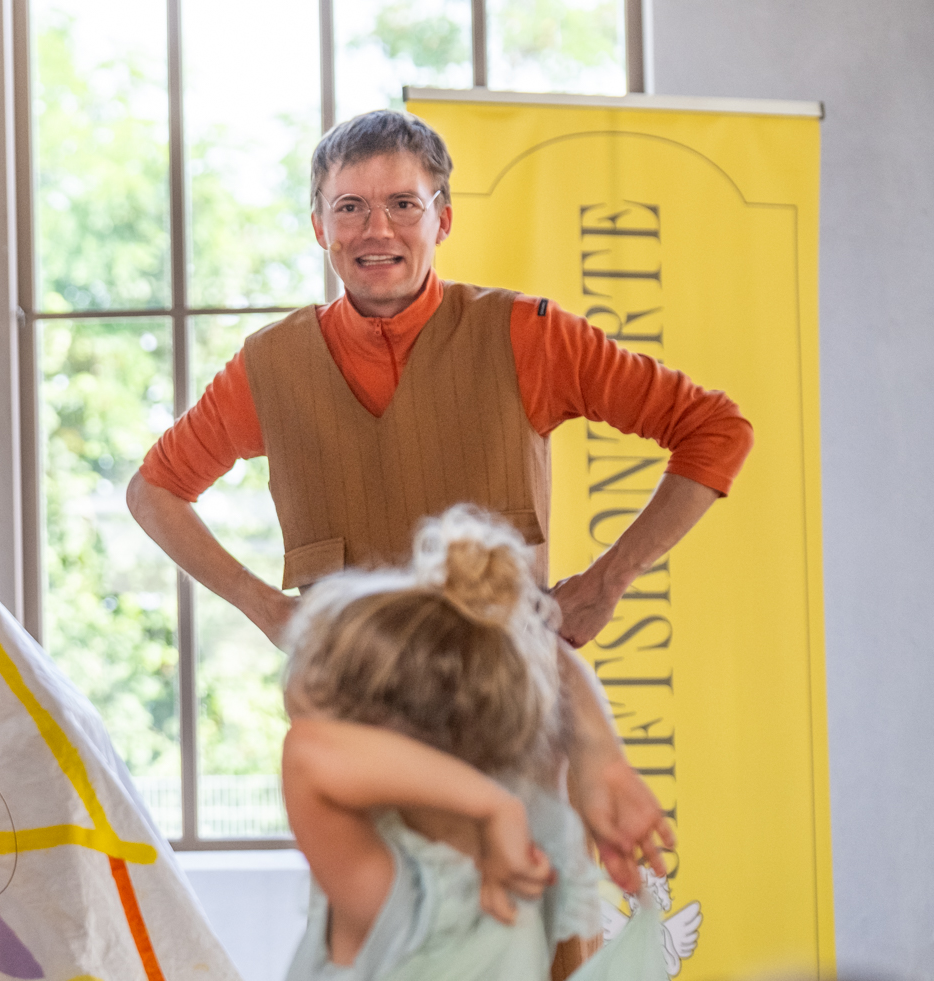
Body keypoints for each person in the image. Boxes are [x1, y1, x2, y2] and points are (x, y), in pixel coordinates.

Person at [126, 107, 754, 649]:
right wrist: (266, 609)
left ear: (442, 219)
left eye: (403, 204)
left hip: (509, 720)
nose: (377, 230)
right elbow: (153, 492)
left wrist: (607, 581)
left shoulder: (529, 335)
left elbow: (715, 430)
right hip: (350, 721)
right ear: (320, 227)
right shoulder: (268, 367)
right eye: (351, 207)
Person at [280, 506, 668, 980]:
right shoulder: (532, 850)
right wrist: (600, 754)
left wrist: (493, 806)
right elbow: (538, 659)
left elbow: (308, 751)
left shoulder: (396, 896)